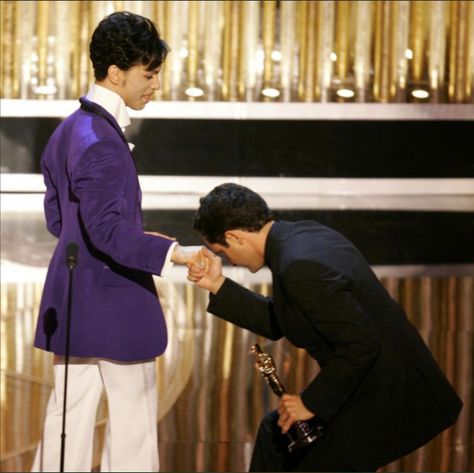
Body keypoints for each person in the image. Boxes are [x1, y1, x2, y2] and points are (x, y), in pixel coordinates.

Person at [188, 183, 463, 472]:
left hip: (392, 398)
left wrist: (311, 402)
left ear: (234, 236)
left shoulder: (298, 265)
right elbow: (282, 319)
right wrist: (216, 285)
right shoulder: (302, 237)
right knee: (276, 435)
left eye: (222, 251)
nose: (230, 261)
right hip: (369, 386)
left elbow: (361, 344)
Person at [31, 11, 200, 472]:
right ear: (115, 73)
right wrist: (174, 253)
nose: (156, 86)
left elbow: (59, 219)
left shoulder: (69, 130)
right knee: (133, 425)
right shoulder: (102, 141)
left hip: (73, 300)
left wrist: (127, 237)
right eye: (149, 74)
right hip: (114, 302)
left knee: (66, 421)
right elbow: (107, 233)